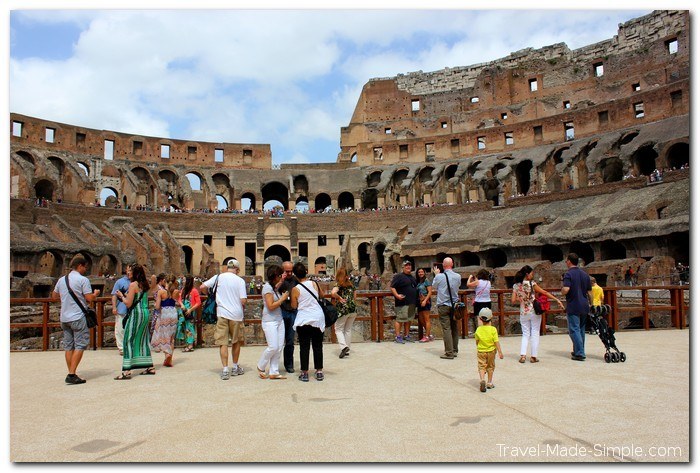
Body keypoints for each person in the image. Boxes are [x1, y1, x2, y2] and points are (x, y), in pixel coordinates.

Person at [52, 255, 100, 384]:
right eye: (85, 267)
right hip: (78, 316)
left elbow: (54, 296)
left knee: (68, 346)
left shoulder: (62, 280)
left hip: (64, 317)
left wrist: (66, 300)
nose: (85, 270)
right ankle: (72, 374)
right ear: (80, 266)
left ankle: (71, 373)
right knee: (80, 345)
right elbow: (89, 298)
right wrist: (95, 294)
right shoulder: (83, 280)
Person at [201, 259, 248, 380]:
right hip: (236, 315)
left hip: (222, 314)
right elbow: (243, 300)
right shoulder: (240, 281)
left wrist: (211, 295)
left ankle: (225, 370)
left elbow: (202, 287)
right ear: (237, 269)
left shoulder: (218, 277)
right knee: (236, 341)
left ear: (227, 267)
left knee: (223, 343)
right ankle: (236, 367)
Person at [511, 265, 564, 363]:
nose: (532, 275)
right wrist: (557, 300)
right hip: (534, 311)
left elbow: (513, 300)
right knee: (535, 332)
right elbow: (544, 292)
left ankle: (523, 355)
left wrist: (521, 299)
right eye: (531, 273)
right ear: (527, 274)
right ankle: (533, 356)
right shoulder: (531, 283)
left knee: (525, 334)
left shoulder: (516, 285)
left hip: (524, 312)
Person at [114, 263, 154, 379]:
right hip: (145, 313)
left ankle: (127, 370)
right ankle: (149, 366)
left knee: (128, 339)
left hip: (136, 314)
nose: (128, 273)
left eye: (130, 271)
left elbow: (128, 303)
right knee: (143, 339)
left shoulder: (133, 285)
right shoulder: (144, 284)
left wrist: (121, 296)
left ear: (135, 273)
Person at [290, 262, 325, 382]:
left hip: (304, 318)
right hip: (317, 317)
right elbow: (322, 295)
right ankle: (319, 371)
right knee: (317, 345)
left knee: (304, 346)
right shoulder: (315, 283)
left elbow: (294, 306)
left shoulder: (295, 289)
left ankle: (304, 373)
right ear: (306, 271)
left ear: (295, 275)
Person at [256, 265, 290, 379]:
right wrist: (282, 299)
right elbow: (270, 306)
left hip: (279, 320)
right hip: (270, 321)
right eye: (280, 275)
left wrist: (281, 282)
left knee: (279, 346)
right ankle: (261, 366)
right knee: (273, 347)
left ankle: (274, 371)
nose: (281, 277)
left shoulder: (273, 287)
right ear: (275, 276)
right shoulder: (267, 288)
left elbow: (275, 288)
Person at [561, 253, 593, 361]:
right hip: (584, 305)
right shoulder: (585, 274)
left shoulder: (568, 274)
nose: (566, 263)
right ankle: (578, 350)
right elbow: (590, 292)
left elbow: (566, 289)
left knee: (574, 330)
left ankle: (580, 353)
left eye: (566, 261)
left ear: (569, 261)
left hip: (574, 305)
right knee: (581, 330)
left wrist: (562, 291)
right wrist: (591, 304)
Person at [432, 257, 462, 359]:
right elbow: (458, 287)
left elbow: (434, 286)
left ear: (443, 266)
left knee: (446, 329)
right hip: (455, 305)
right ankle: (454, 350)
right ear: (452, 264)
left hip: (443, 305)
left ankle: (449, 352)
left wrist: (436, 274)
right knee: (454, 328)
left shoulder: (439, 276)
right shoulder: (458, 276)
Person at [151, 274, 179, 367]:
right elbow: (177, 302)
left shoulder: (161, 292)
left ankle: (167, 354)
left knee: (164, 335)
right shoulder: (176, 291)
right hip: (173, 312)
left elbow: (158, 306)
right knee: (171, 337)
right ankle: (169, 359)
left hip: (164, 313)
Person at [474, 308, 503, 392]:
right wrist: (500, 352)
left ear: (480, 318)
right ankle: (489, 382)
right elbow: (496, 341)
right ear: (491, 318)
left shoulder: (478, 329)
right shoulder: (493, 329)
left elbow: (477, 341)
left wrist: (479, 346)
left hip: (481, 351)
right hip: (491, 351)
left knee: (481, 366)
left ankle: (482, 379)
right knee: (490, 366)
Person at [331, 267, 357, 358]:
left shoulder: (338, 284)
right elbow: (355, 297)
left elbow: (333, 293)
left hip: (343, 310)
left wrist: (339, 298)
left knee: (338, 329)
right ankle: (347, 348)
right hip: (353, 309)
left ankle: (343, 346)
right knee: (348, 329)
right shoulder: (352, 285)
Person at [278, 261, 299, 373]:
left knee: (290, 340)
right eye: (287, 271)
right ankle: (274, 365)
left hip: (292, 312)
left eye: (291, 271)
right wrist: (281, 280)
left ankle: (289, 364)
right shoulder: (278, 280)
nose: (290, 273)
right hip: (281, 312)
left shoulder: (296, 280)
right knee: (278, 341)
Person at [389, 261, 418, 343]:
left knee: (409, 319)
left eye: (409, 265)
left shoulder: (412, 277)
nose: (408, 267)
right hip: (402, 302)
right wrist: (397, 296)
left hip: (412, 302)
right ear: (403, 267)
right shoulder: (399, 276)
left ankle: (407, 335)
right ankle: (398, 336)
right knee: (400, 319)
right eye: (406, 265)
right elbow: (392, 287)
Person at [110, 264, 132, 356]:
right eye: (128, 270)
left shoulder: (136, 282)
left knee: (131, 328)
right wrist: (114, 307)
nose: (129, 272)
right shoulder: (120, 282)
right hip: (122, 308)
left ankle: (130, 346)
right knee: (120, 329)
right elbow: (114, 295)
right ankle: (122, 348)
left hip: (132, 309)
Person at [177, 275, 201, 352]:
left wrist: (190, 309)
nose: (183, 281)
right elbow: (179, 299)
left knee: (189, 327)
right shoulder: (183, 290)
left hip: (190, 311)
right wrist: (182, 305)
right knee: (184, 327)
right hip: (183, 311)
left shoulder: (194, 291)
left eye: (184, 280)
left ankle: (190, 345)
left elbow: (198, 302)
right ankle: (187, 343)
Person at [467, 269, 492, 336]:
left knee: (480, 318)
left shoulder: (478, 282)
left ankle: (481, 333)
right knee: (488, 317)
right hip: (488, 301)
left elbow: (468, 284)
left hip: (479, 302)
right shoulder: (488, 282)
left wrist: (470, 277)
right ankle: (489, 333)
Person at [415, 268, 433, 343]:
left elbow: (430, 292)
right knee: (421, 319)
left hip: (426, 301)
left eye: (422, 272)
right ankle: (429, 335)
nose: (420, 273)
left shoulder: (426, 281)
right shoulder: (418, 281)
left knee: (426, 319)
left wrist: (425, 300)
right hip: (420, 301)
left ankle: (426, 336)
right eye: (419, 272)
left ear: (424, 273)